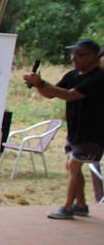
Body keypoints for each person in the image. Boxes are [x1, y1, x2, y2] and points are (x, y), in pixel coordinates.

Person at [23, 38, 104, 220]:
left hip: (93, 134)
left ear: (92, 57)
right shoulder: (73, 75)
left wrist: (42, 84)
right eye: (73, 54)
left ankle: (67, 207)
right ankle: (81, 205)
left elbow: (69, 95)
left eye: (79, 55)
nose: (74, 58)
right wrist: (39, 84)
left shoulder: (97, 78)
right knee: (73, 167)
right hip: (75, 132)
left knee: (73, 165)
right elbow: (51, 94)